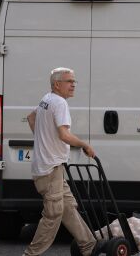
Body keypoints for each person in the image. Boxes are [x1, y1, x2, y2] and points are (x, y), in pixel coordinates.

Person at [23, 67, 101, 256]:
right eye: (69, 81)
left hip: (49, 167)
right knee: (53, 214)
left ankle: (88, 245)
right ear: (57, 84)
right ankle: (30, 255)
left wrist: (43, 141)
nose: (73, 84)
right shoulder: (59, 103)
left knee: (68, 208)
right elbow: (64, 135)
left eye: (74, 81)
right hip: (50, 168)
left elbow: (31, 117)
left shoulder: (46, 99)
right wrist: (84, 144)